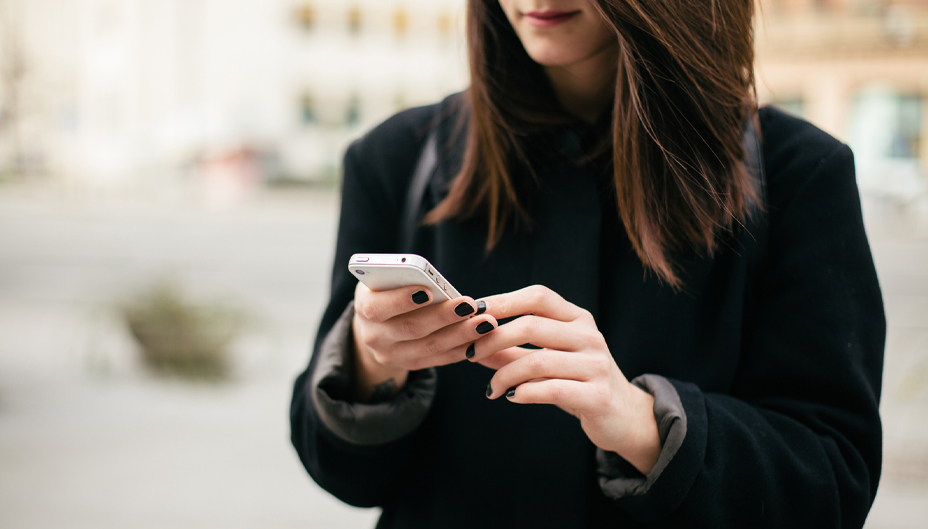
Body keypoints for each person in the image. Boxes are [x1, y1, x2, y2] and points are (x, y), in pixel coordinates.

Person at [290, 1, 885, 527]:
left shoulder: (797, 175)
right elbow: (341, 475)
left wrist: (639, 423)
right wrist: (370, 364)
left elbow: (832, 485)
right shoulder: (395, 157)